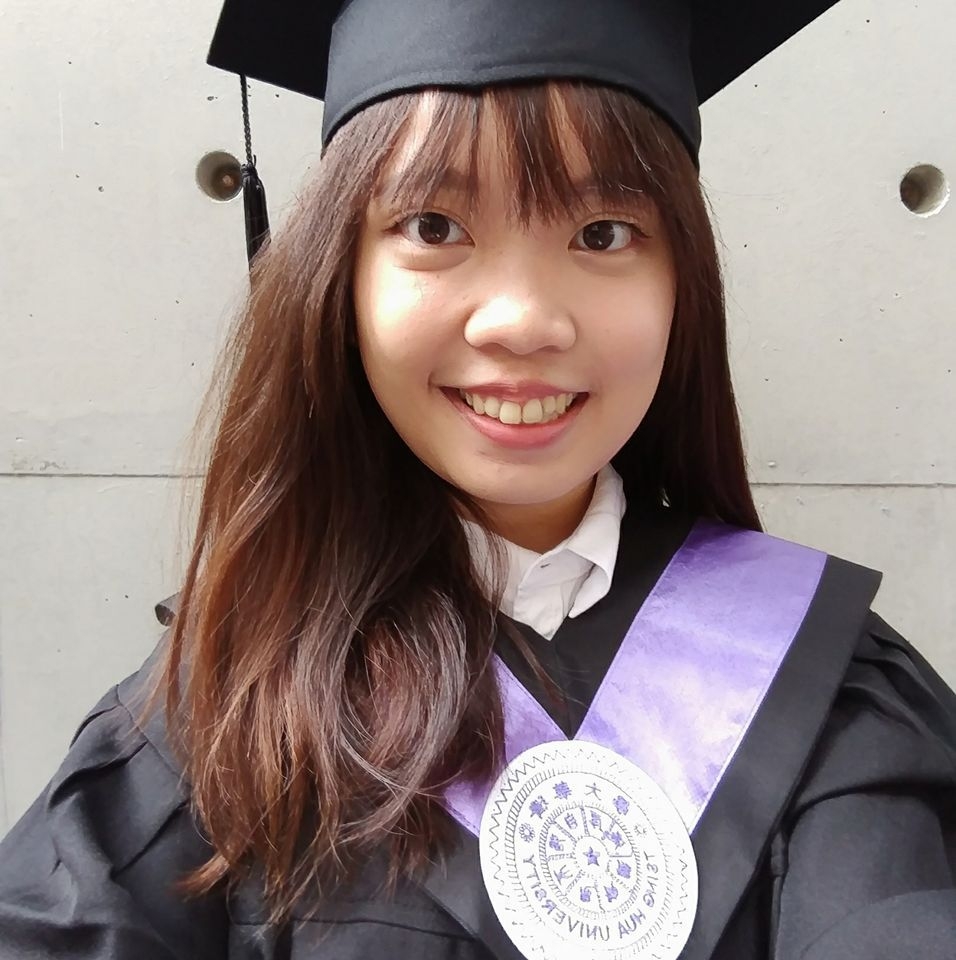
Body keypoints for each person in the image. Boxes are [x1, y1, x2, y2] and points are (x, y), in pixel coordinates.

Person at [1, 1, 954, 957]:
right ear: (342, 276)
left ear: (683, 285)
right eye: (434, 224)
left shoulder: (822, 687)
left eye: (604, 233)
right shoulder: (225, 706)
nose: (524, 320)